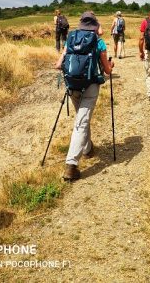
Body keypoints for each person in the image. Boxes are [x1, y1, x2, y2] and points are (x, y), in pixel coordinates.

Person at [55, 11, 114, 181]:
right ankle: (71, 165)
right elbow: (107, 70)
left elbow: (59, 65)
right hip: (90, 87)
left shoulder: (71, 38)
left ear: (80, 24)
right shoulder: (98, 41)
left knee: (82, 119)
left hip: (72, 85)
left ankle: (87, 149)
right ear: (95, 25)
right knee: (82, 122)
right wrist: (111, 65)